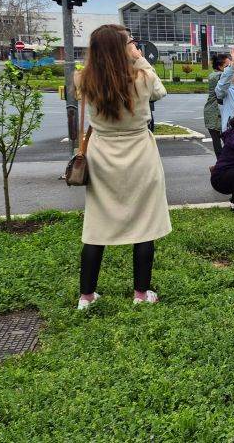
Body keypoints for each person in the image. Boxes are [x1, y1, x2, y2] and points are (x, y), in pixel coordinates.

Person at [74, 24, 170, 310]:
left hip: (102, 153)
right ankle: (141, 294)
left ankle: (86, 296)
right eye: (130, 42)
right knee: (145, 222)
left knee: (96, 224)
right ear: (123, 48)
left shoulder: (83, 79)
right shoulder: (143, 77)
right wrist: (139, 58)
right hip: (139, 151)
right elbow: (160, 92)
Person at [204, 53, 231, 157]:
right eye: (227, 66)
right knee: (219, 142)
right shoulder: (217, 76)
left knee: (225, 141)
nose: (230, 68)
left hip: (216, 112)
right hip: (214, 113)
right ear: (220, 66)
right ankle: (221, 164)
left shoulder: (220, 75)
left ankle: (223, 163)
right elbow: (233, 75)